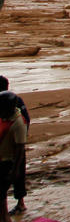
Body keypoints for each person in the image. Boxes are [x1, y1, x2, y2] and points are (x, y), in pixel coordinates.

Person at [0, 78, 28, 215]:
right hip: (6, 148)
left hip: (14, 148)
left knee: (18, 175)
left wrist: (20, 139)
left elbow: (25, 121)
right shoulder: (4, 102)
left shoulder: (15, 103)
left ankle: (20, 203)